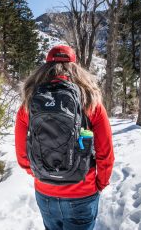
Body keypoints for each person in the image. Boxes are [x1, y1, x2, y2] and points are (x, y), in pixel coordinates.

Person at [15, 45, 114, 230]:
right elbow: (105, 152)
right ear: (75, 67)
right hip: (82, 190)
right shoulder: (90, 100)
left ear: (45, 67)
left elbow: (22, 155)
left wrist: (42, 173)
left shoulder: (30, 101)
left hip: (45, 192)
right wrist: (100, 183)